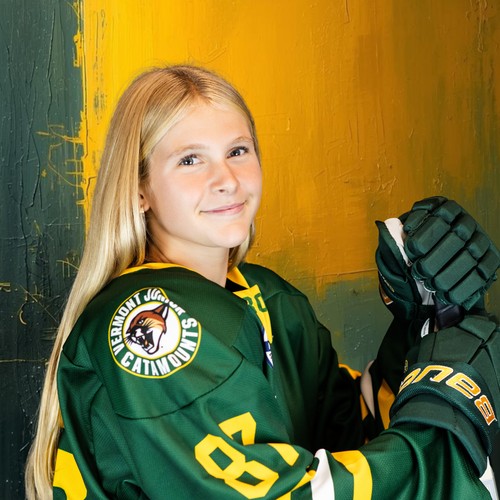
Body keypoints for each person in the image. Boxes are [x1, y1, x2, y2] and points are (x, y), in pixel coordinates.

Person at [24, 65, 500, 499]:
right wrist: (448, 414)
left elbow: (349, 438)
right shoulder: (148, 326)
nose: (226, 179)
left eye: (238, 151)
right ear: (139, 189)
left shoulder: (272, 300)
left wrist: (423, 329)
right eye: (190, 160)